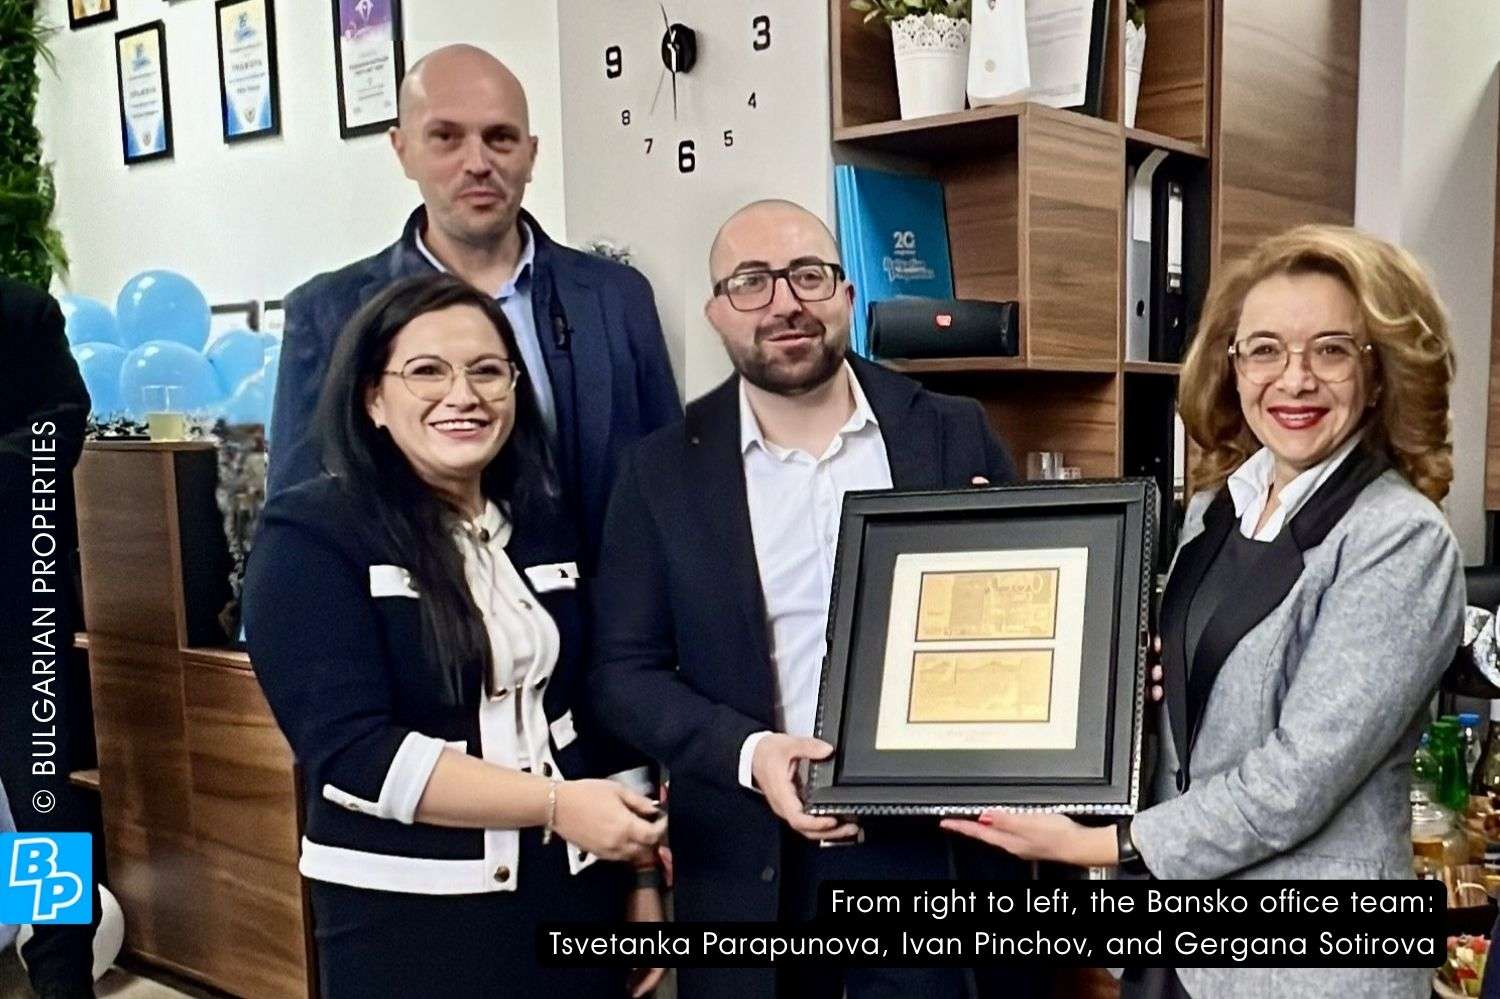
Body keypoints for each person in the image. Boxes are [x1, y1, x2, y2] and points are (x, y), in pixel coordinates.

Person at [944, 225, 1465, 999]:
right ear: (1232, 364)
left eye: (1330, 350)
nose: (1294, 379)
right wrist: (1016, 557)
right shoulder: (1217, 507)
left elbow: (1296, 778)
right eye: (1265, 349)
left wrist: (1104, 844)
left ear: (1380, 370)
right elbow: (1179, 701)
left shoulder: (1400, 537)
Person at [590, 199, 1023, 999]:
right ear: (717, 312)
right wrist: (751, 753)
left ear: (847, 296)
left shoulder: (953, 432)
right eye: (751, 282)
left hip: (938, 855)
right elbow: (622, 675)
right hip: (750, 862)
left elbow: (1027, 605)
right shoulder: (659, 471)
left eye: (807, 276)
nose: (784, 302)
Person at [244, 274, 667, 998]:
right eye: (427, 371)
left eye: (487, 371)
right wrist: (557, 805)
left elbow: (595, 705)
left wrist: (639, 872)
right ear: (373, 398)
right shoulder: (310, 534)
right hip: (408, 917)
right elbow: (352, 754)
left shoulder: (542, 522)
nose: (463, 395)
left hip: (576, 889)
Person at [267, 44, 680, 568]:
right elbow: (297, 526)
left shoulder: (618, 298)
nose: (478, 163)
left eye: (500, 138)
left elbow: (671, 486)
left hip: (606, 612)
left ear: (531, 154)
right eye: (446, 137)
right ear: (402, 149)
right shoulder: (329, 313)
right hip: (421, 612)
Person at [0, 276, 99, 999]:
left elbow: (57, 434)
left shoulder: (20, 310)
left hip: (19, 615)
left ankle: (62, 978)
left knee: (45, 804)